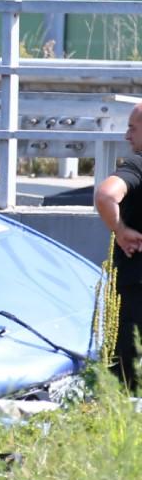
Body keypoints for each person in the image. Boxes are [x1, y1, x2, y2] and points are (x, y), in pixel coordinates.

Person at [94, 103, 142, 389]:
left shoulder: (137, 165)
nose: (126, 135)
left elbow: (105, 195)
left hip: (135, 287)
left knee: (126, 384)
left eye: (133, 128)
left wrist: (120, 230)